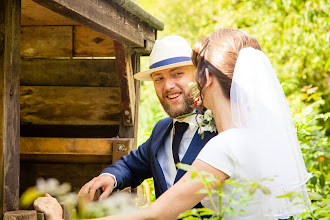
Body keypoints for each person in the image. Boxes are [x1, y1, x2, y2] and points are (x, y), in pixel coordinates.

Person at [34, 28, 310, 220]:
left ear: (203, 77)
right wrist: (111, 177)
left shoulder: (224, 141)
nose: (168, 86)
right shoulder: (164, 131)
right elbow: (133, 163)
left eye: (179, 74)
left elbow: (158, 213)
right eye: (158, 78)